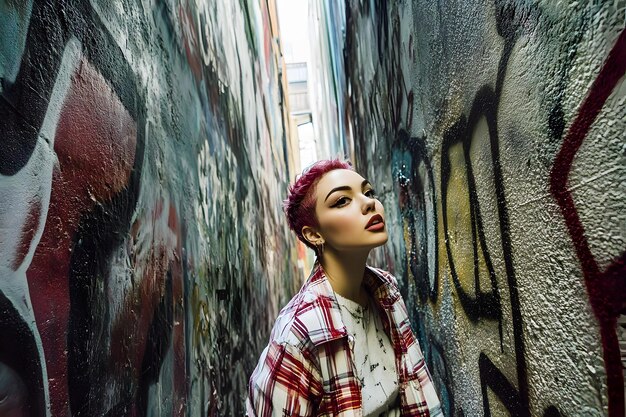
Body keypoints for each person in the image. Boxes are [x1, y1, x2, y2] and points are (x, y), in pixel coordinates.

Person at [247, 159, 442, 417]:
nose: (369, 203)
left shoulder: (387, 292)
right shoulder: (297, 335)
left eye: (368, 192)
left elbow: (419, 393)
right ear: (314, 234)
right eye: (342, 201)